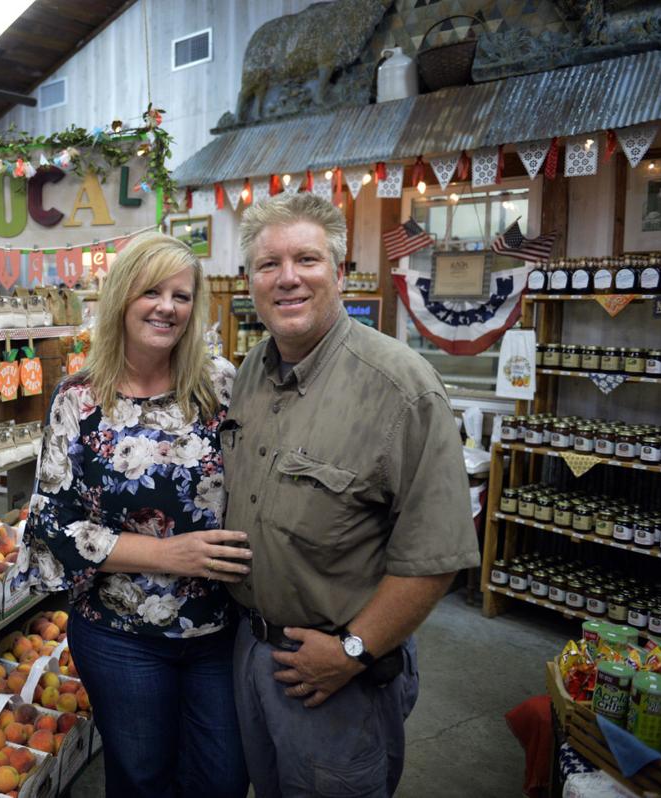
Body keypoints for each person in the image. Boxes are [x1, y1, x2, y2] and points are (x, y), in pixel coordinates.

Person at [225, 193, 480, 797]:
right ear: (251, 281)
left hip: (338, 674)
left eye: (306, 259)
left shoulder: (401, 388)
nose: (287, 278)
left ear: (338, 271)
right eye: (268, 264)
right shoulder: (249, 374)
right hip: (249, 653)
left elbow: (437, 552)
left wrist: (354, 651)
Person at [16, 231, 250, 798]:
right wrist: (170, 554)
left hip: (218, 626)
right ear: (122, 297)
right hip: (120, 634)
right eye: (151, 291)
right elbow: (53, 521)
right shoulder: (80, 397)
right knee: (143, 778)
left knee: (224, 778)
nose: (167, 307)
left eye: (181, 294)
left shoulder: (220, 384)